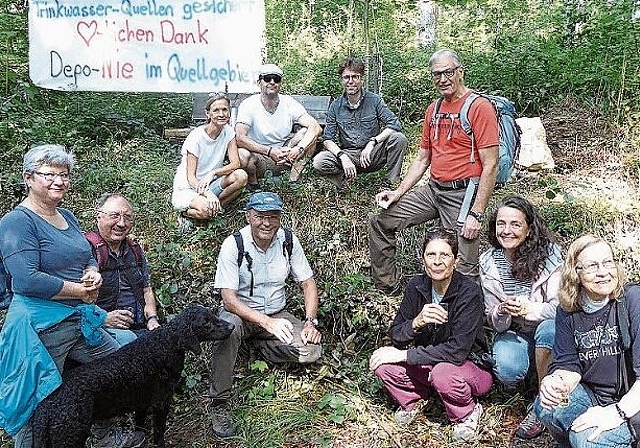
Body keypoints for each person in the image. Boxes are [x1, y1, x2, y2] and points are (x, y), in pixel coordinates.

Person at [0, 145, 144, 448]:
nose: (58, 181)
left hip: (76, 320)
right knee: (36, 396)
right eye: (49, 174)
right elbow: (26, 280)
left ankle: (103, 435)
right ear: (28, 178)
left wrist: (93, 271)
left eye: (64, 175)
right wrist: (80, 291)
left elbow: (85, 254)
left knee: (116, 364)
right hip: (40, 327)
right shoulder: (17, 222)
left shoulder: (65, 215)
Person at [368, 48, 499, 295]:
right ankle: (390, 288)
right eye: (437, 74)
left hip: (463, 195)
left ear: (460, 72)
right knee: (380, 221)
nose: (443, 79)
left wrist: (477, 214)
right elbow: (422, 158)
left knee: (463, 266)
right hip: (433, 189)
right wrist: (398, 192)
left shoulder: (479, 108)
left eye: (448, 72)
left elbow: (490, 164)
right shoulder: (434, 109)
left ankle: (465, 320)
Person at [208, 191, 322, 438]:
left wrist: (310, 321)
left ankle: (257, 348)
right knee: (226, 329)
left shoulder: (288, 240)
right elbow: (228, 300)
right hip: (242, 313)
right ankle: (219, 401)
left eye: (272, 217)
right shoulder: (234, 244)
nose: (266, 223)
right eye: (260, 217)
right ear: (249, 216)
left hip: (276, 312)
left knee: (311, 350)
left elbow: (308, 283)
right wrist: (265, 322)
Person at [369, 227, 493, 442]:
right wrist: (417, 322)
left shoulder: (469, 292)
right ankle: (413, 400)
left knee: (443, 373)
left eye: (444, 255)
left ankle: (466, 414)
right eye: (431, 255)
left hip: (470, 368)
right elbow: (397, 335)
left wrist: (405, 356)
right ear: (423, 258)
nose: (437, 261)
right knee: (383, 365)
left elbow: (457, 352)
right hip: (428, 363)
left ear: (455, 259)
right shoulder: (416, 286)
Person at [534, 235, 640, 448]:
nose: (603, 272)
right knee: (546, 407)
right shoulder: (568, 309)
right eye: (592, 266)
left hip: (633, 400)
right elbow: (568, 364)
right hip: (593, 395)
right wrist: (554, 382)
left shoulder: (632, 299)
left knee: (586, 440)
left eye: (607, 262)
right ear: (576, 272)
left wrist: (616, 413)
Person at [480, 195, 563, 440]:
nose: (507, 231)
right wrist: (502, 311)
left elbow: (561, 308)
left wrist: (531, 309)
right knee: (507, 369)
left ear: (528, 229)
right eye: (501, 224)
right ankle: (530, 377)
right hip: (515, 331)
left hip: (547, 328)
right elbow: (491, 318)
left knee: (549, 330)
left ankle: (543, 402)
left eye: (515, 224)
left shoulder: (550, 257)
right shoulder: (489, 263)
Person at [312, 57, 408, 189]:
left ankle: (392, 183)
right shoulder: (335, 106)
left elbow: (394, 124)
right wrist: (343, 156)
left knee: (399, 138)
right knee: (319, 161)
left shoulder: (374, 101)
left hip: (373, 154)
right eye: (346, 77)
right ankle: (344, 182)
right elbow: (328, 139)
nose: (350, 81)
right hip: (349, 155)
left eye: (355, 77)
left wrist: (372, 142)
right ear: (342, 80)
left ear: (361, 79)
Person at [86, 193, 161, 347]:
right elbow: (74, 298)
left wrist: (152, 318)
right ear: (98, 216)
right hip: (101, 327)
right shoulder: (85, 248)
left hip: (140, 325)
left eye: (127, 217)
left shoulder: (135, 250)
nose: (121, 223)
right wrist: (103, 318)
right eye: (114, 216)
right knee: (130, 343)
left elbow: (146, 288)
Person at [171, 92, 248, 232]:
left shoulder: (228, 132)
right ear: (208, 114)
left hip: (210, 183)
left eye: (225, 109)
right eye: (216, 110)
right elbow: (191, 178)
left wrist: (214, 172)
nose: (221, 114)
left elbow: (236, 164)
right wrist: (208, 194)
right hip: (188, 188)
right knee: (206, 209)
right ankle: (186, 214)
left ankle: (216, 209)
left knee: (241, 176)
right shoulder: (196, 137)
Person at [235, 64, 322, 185]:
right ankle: (253, 186)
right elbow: (239, 138)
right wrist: (270, 151)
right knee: (242, 155)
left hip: (287, 153)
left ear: (280, 83)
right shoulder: (249, 104)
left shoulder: (288, 102)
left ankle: (293, 181)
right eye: (267, 78)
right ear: (259, 82)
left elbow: (315, 127)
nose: (272, 82)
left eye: (276, 79)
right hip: (260, 156)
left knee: (307, 133)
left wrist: (298, 148)